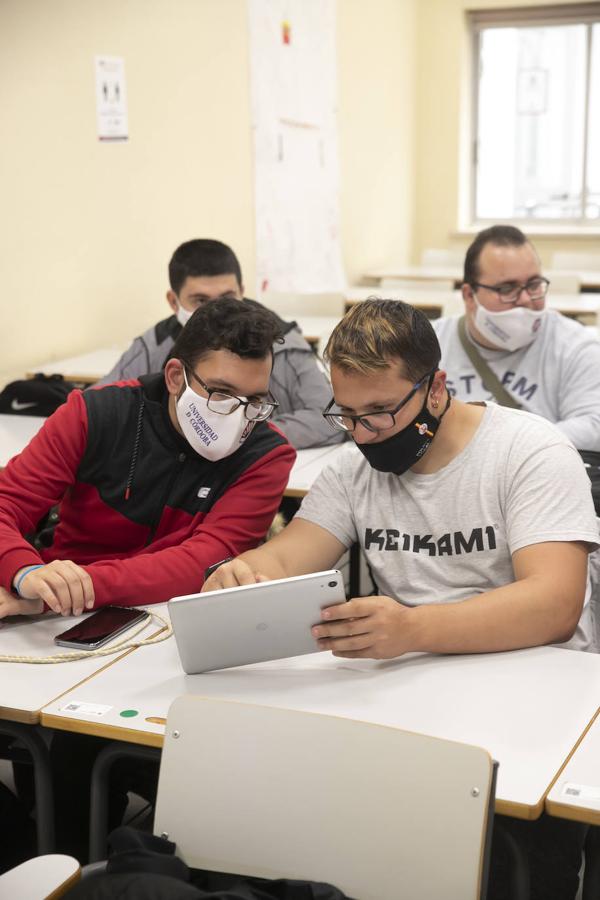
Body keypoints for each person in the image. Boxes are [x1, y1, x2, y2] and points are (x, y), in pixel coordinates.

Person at [203, 298, 599, 900]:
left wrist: (414, 630)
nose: (363, 434)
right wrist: (240, 573)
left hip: (534, 704)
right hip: (410, 696)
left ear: (436, 388)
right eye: (348, 415)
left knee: (507, 864)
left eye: (382, 413)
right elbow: (287, 557)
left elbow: (554, 604)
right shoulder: (351, 470)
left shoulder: (529, 452)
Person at [0, 297, 295, 619]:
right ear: (175, 378)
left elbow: (204, 562)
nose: (237, 415)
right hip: (58, 614)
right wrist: (25, 574)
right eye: (220, 393)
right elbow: (7, 504)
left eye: (253, 400)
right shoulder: (93, 415)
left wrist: (65, 592)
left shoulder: (267, 456)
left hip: (172, 615)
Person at [98, 238, 344, 450]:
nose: (218, 311)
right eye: (200, 300)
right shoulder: (155, 343)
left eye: (228, 297)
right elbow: (99, 408)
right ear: (174, 302)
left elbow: (329, 419)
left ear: (242, 291)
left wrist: (241, 435)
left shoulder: (281, 341)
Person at [431, 224, 600, 451]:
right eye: (506, 289)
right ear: (469, 296)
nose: (526, 300)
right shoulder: (429, 344)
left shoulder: (576, 345)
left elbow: (593, 426)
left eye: (533, 285)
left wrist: (496, 448)